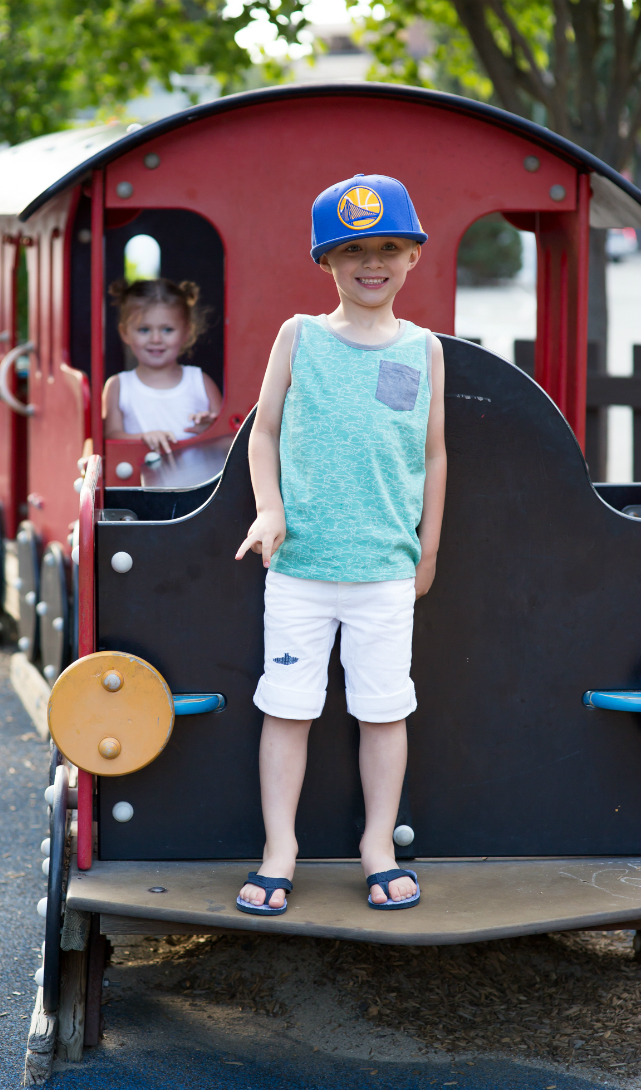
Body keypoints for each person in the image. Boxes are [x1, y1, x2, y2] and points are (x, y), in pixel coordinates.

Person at [235, 174, 446, 915]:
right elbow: (262, 432)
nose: (371, 262)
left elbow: (435, 453)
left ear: (414, 256)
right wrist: (269, 510)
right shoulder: (300, 337)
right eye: (352, 248)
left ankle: (378, 846)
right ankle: (279, 850)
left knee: (384, 712)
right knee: (287, 708)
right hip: (298, 569)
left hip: (384, 573)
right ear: (326, 260)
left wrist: (427, 551)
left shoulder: (424, 351)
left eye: (388, 246)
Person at [103, 277, 222, 454]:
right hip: (138, 481)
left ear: (186, 333)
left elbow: (228, 435)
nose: (156, 339)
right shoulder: (118, 385)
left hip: (197, 481)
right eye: (144, 330)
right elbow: (110, 437)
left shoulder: (200, 381)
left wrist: (209, 428)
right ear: (125, 333)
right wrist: (144, 437)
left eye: (167, 329)